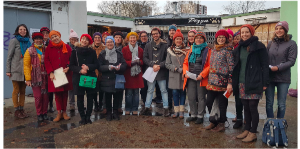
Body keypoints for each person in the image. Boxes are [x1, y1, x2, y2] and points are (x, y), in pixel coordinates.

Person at [232, 24, 269, 142]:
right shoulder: (238, 48)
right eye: (242, 32)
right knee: (246, 107)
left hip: (255, 81)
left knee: (253, 107)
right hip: (242, 82)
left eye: (246, 32)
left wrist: (264, 82)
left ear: (251, 32)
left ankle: (253, 132)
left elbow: (265, 65)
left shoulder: (259, 47)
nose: (244, 34)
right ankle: (247, 129)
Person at [265, 21, 297, 119]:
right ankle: (270, 123)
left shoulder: (291, 44)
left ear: (285, 30)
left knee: (281, 104)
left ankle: (279, 124)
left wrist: (278, 68)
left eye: (281, 28)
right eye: (277, 29)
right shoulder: (271, 43)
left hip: (283, 78)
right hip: (270, 77)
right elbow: (265, 58)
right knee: (269, 102)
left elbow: (291, 61)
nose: (278, 31)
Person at [205, 29, 234, 132]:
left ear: (226, 39)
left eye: (223, 37)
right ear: (216, 38)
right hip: (212, 82)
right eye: (219, 37)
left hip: (223, 82)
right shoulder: (213, 50)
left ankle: (221, 123)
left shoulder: (228, 50)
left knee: (222, 104)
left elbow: (231, 67)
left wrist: (230, 82)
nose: (221, 39)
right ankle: (214, 121)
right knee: (209, 102)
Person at [69, 34, 98, 125]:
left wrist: (88, 67)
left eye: (86, 40)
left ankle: (88, 116)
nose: (84, 41)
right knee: (80, 99)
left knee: (90, 98)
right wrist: (80, 70)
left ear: (89, 42)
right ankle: (82, 117)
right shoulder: (75, 52)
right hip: (78, 77)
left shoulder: (92, 52)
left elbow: (96, 64)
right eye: (83, 39)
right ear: (80, 40)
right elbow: (71, 66)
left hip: (90, 77)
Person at [183, 32, 211, 124]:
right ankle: (193, 114)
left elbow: (209, 65)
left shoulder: (208, 50)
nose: (198, 39)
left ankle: (200, 115)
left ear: (204, 40)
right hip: (190, 77)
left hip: (200, 77)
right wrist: (185, 73)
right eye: (197, 38)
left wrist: (202, 75)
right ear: (194, 40)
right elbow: (186, 63)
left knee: (201, 97)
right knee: (191, 97)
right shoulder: (191, 50)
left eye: (201, 38)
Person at [44, 30, 73, 122]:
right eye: (52, 37)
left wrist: (68, 67)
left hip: (65, 73)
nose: (55, 38)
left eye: (56, 36)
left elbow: (71, 58)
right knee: (57, 94)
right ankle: (59, 112)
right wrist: (50, 72)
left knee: (65, 94)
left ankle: (64, 112)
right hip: (55, 74)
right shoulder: (49, 48)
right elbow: (47, 60)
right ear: (50, 39)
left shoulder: (67, 47)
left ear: (59, 36)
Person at [142, 27, 169, 116]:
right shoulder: (148, 45)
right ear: (152, 35)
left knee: (163, 90)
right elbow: (144, 58)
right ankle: (147, 107)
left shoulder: (165, 45)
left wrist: (160, 65)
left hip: (161, 71)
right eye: (153, 34)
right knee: (150, 90)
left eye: (156, 33)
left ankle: (166, 108)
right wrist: (152, 64)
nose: (155, 35)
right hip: (151, 70)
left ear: (159, 34)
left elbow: (167, 59)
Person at [98, 36, 127, 121]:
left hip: (116, 78)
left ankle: (115, 112)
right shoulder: (102, 54)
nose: (109, 44)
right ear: (105, 44)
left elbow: (124, 64)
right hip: (106, 79)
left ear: (113, 43)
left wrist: (119, 68)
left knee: (117, 97)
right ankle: (109, 113)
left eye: (111, 42)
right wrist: (108, 67)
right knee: (107, 97)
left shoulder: (119, 53)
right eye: (108, 42)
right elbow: (99, 66)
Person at [6, 24, 31, 119]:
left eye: (24, 29)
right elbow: (9, 56)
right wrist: (8, 70)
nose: (22, 31)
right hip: (15, 70)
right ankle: (17, 110)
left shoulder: (28, 42)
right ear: (17, 30)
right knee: (16, 90)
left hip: (25, 71)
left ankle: (21, 109)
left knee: (23, 91)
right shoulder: (14, 41)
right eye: (20, 29)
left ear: (26, 31)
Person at [23, 32, 49, 122]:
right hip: (35, 78)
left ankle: (44, 112)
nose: (38, 40)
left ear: (42, 39)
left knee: (45, 96)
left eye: (40, 39)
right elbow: (26, 65)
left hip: (45, 77)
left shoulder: (46, 49)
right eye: (36, 39)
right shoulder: (29, 50)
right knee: (38, 96)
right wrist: (28, 79)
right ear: (33, 40)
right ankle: (39, 113)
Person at [165, 29, 189, 118]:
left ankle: (182, 111)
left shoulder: (187, 50)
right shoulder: (170, 50)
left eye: (180, 39)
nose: (178, 41)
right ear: (174, 40)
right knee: (175, 93)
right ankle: (176, 111)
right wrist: (175, 68)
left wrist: (184, 69)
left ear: (182, 40)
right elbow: (167, 64)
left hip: (183, 75)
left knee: (183, 93)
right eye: (176, 39)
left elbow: (189, 62)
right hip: (173, 75)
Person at [122, 32, 144, 115]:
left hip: (137, 73)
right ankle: (128, 108)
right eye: (131, 38)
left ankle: (135, 108)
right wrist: (130, 62)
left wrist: (139, 61)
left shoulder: (140, 50)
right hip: (128, 73)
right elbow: (123, 61)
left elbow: (143, 61)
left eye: (134, 38)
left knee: (136, 93)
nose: (132, 39)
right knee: (128, 93)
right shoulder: (124, 49)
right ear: (128, 39)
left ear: (136, 39)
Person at [40, 27, 54, 113]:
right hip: (41, 69)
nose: (45, 35)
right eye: (43, 33)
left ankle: (51, 105)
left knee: (50, 88)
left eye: (47, 33)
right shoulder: (38, 42)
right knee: (42, 88)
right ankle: (43, 105)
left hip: (50, 68)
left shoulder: (51, 43)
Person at [91, 32, 106, 113]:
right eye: (96, 37)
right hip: (93, 72)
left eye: (99, 37)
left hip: (102, 72)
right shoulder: (90, 48)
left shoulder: (104, 47)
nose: (97, 39)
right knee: (93, 89)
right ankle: (95, 104)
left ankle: (100, 104)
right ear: (93, 39)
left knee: (101, 89)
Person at [232, 29, 243, 128]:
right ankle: (238, 116)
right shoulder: (234, 50)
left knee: (246, 101)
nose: (236, 40)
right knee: (237, 99)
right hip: (236, 77)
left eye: (238, 38)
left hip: (245, 77)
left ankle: (246, 119)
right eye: (235, 38)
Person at [67, 29, 79, 112]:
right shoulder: (67, 47)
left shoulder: (79, 47)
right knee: (70, 88)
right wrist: (68, 65)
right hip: (69, 70)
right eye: (72, 39)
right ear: (70, 39)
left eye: (75, 39)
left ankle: (79, 103)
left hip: (77, 70)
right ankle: (71, 104)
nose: (73, 41)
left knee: (78, 87)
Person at [113, 31, 126, 114]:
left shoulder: (124, 48)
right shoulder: (110, 46)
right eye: (116, 37)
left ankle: (119, 106)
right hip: (111, 71)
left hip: (121, 71)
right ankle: (108, 107)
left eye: (119, 37)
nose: (118, 39)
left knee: (120, 90)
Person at [138, 31, 150, 112]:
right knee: (143, 87)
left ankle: (148, 102)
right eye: (142, 36)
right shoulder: (138, 46)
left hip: (150, 68)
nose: (144, 37)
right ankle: (144, 101)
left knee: (150, 87)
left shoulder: (150, 45)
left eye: (145, 36)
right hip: (141, 68)